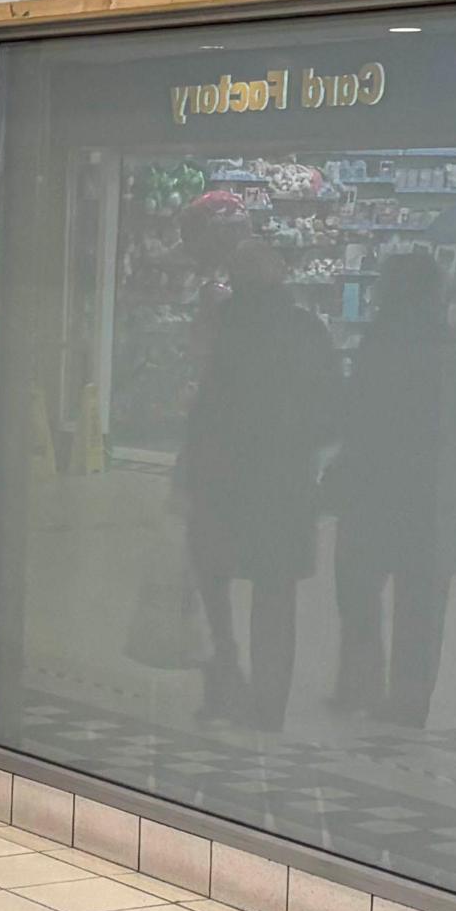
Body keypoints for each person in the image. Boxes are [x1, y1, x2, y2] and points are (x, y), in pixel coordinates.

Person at [173, 237, 336, 731]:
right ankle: (269, 707)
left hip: (221, 482)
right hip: (284, 486)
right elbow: (332, 411)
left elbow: (205, 411)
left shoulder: (225, 330)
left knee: (212, 589)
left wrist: (186, 474)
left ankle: (222, 686)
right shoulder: (308, 331)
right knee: (275, 596)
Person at [325, 252, 456, 728]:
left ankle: (360, 680)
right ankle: (412, 697)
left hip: (378, 488)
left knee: (357, 585)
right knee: (423, 604)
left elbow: (359, 416)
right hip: (436, 494)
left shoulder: (381, 344)